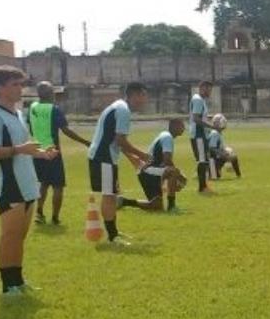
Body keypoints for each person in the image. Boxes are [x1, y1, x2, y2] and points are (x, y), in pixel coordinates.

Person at [0, 65, 59, 295]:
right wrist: (20, 149)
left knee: (21, 236)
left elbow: (24, 149)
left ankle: (18, 280)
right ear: (0, 88)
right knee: (10, 236)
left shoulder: (17, 113)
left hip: (27, 182)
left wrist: (42, 153)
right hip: (10, 185)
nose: (20, 89)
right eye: (14, 84)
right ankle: (8, 286)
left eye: (21, 84)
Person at [88, 82, 150, 245]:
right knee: (109, 196)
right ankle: (113, 237)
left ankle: (113, 232)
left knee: (111, 194)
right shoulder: (123, 111)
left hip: (104, 156)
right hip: (104, 157)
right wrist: (142, 155)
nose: (144, 100)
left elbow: (115, 140)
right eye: (143, 96)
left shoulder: (119, 107)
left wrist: (132, 158)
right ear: (135, 95)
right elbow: (120, 140)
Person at [27, 81, 90, 225]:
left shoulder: (32, 108)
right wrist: (85, 142)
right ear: (50, 94)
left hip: (37, 151)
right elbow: (66, 130)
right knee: (58, 186)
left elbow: (31, 129)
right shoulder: (54, 109)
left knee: (43, 184)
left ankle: (39, 213)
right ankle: (55, 217)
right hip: (52, 152)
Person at [117, 119, 187, 212]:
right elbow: (167, 160)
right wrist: (179, 175)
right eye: (182, 126)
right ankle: (172, 206)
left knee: (156, 206)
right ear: (174, 126)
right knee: (174, 171)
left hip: (149, 172)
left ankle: (124, 201)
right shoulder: (167, 137)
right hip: (149, 171)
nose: (184, 128)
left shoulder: (165, 135)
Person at [189, 81, 219, 193]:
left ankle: (204, 186)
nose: (209, 91)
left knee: (204, 160)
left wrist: (213, 118)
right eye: (208, 89)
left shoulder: (200, 100)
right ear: (201, 88)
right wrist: (212, 127)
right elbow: (196, 119)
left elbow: (201, 117)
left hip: (201, 134)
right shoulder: (198, 100)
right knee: (202, 160)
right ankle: (202, 188)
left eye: (210, 89)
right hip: (198, 134)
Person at [208, 114, 242, 179]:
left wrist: (226, 151)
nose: (223, 123)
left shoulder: (218, 133)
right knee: (215, 177)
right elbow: (211, 149)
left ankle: (238, 175)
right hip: (212, 159)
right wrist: (223, 153)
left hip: (216, 158)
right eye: (221, 121)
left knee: (233, 155)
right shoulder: (214, 134)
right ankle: (211, 170)